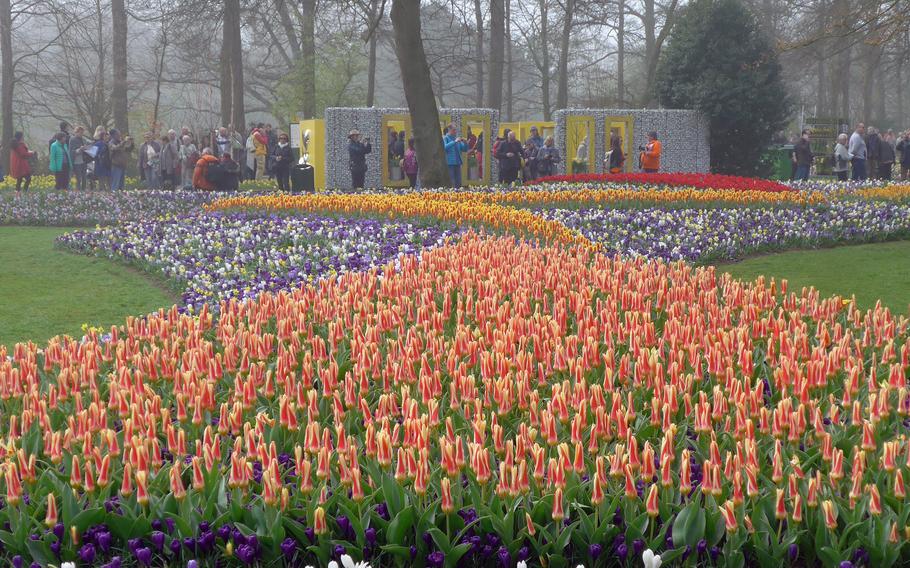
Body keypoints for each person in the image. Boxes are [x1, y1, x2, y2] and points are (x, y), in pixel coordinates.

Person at [9, 131, 34, 197]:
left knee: (19, 179)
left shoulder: (15, 144)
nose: (23, 137)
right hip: (21, 164)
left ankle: (17, 194)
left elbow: (21, 152)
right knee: (28, 178)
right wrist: (32, 153)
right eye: (22, 135)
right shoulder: (20, 144)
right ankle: (24, 192)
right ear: (20, 136)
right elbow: (23, 154)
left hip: (16, 164)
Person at [69, 126, 90, 191]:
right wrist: (79, 149)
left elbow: (89, 143)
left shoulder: (83, 139)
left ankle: (83, 190)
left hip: (83, 160)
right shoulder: (72, 140)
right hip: (76, 161)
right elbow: (72, 151)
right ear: (76, 132)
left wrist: (87, 147)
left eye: (82, 133)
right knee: (78, 177)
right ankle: (77, 190)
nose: (81, 134)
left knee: (84, 177)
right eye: (80, 133)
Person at [91, 127, 111, 191]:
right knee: (102, 182)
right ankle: (102, 193)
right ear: (103, 136)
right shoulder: (98, 144)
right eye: (106, 136)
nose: (108, 137)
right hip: (100, 165)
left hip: (107, 165)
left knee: (108, 182)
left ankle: (108, 193)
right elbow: (93, 155)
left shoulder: (108, 144)